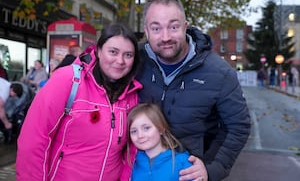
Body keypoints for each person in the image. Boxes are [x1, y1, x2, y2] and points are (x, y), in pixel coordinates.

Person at [136, 0, 250, 181]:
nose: (165, 37)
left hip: (186, 176)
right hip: (137, 173)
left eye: (173, 27)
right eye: (156, 28)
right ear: (146, 31)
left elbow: (238, 126)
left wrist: (212, 169)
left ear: (185, 27)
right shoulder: (132, 62)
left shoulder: (219, 73)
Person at [16, 24, 142, 181]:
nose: (120, 61)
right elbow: (33, 140)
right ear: (99, 50)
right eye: (113, 52)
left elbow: (129, 152)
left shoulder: (132, 95)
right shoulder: (67, 79)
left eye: (128, 55)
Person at [127, 103, 192, 181]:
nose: (140, 135)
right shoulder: (133, 163)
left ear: (161, 129)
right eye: (134, 131)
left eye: (146, 128)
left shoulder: (182, 161)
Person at [0, 78, 23, 142]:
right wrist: (6, 123)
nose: (14, 97)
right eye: (15, 95)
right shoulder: (5, 92)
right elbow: (0, 109)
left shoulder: (6, 84)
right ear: (12, 90)